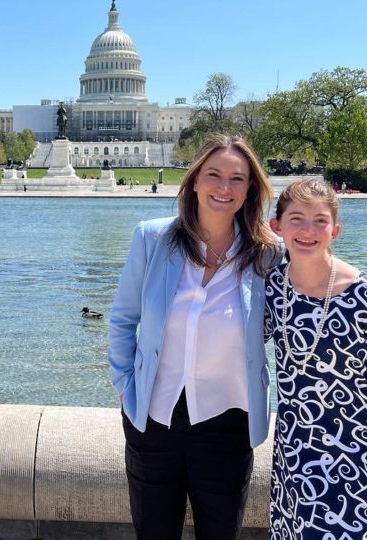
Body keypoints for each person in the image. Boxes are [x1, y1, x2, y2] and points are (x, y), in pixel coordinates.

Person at [109, 134, 280, 540]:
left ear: (250, 188)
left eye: (237, 179)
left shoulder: (267, 253)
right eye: (214, 175)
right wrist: (124, 385)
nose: (224, 188)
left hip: (228, 420)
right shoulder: (152, 239)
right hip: (154, 414)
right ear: (195, 181)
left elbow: (317, 279)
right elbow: (122, 317)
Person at [265, 178, 367, 539]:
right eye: (296, 219)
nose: (308, 231)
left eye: (320, 221)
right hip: (295, 456)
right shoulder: (272, 287)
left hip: (361, 457)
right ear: (276, 227)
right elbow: (231, 339)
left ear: (335, 230)